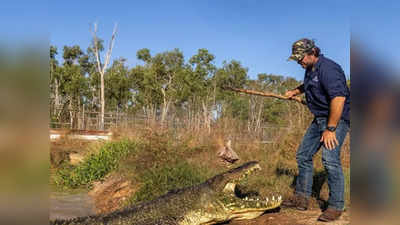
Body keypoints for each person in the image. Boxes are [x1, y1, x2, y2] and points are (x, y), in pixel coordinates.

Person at [282, 38, 350, 222]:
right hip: (319, 118)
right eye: (296, 59)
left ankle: (336, 206)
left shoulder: (329, 69)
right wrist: (295, 92)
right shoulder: (310, 69)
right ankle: (302, 198)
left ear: (312, 53)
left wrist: (330, 128)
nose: (299, 62)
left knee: (330, 160)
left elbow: (338, 99)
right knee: (303, 155)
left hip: (336, 119)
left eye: (300, 58)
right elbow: (309, 85)